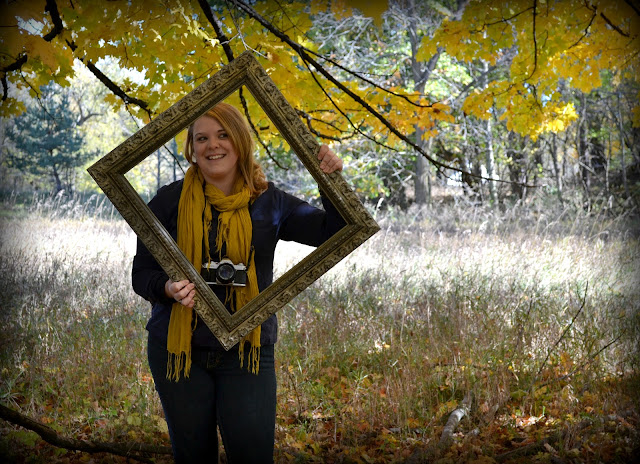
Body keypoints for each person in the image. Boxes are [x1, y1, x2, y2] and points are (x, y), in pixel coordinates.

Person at [131, 102, 345, 463]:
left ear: (241, 141)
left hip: (248, 348)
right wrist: (167, 288)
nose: (212, 145)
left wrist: (331, 179)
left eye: (223, 134)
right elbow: (142, 274)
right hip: (178, 348)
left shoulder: (270, 201)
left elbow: (334, 231)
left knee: (253, 455)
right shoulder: (169, 200)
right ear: (192, 148)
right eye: (202, 138)